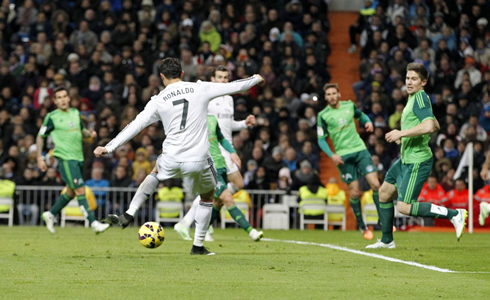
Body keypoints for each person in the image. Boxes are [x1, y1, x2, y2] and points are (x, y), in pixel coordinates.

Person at [94, 58, 263, 255]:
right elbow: (233, 87)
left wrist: (109, 147)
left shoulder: (157, 100)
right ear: (182, 73)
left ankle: (130, 212)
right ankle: (197, 246)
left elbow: (135, 125)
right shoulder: (199, 88)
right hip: (199, 159)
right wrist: (255, 79)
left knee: (155, 172)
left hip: (171, 157)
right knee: (207, 196)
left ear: (162, 77)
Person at [367, 63, 468, 249]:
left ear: (423, 82)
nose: (409, 82)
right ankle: (387, 241)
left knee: (404, 207)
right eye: (407, 78)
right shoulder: (414, 98)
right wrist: (405, 138)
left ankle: (455, 215)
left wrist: (401, 134)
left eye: (414, 79)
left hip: (417, 161)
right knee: (384, 193)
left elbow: (429, 127)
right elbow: (435, 125)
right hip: (406, 158)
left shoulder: (420, 97)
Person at [174, 114, 263, 242]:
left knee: (217, 201)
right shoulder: (191, 122)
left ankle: (193, 227)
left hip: (221, 164)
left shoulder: (212, 119)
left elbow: (222, 139)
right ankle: (251, 231)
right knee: (227, 198)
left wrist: (232, 152)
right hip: (208, 167)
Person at [36, 87, 110, 234]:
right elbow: (40, 136)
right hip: (65, 158)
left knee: (71, 191)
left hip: (78, 157)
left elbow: (81, 131)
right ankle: (94, 222)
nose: (62, 99)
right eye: (59, 97)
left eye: (64, 96)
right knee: (80, 189)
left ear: (69, 98)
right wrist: (39, 157)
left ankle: (50, 214)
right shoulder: (52, 117)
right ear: (55, 101)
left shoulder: (76, 113)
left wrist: (90, 133)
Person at [317, 83, 381, 240]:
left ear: (339, 94)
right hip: (343, 156)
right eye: (328, 94)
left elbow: (361, 116)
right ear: (326, 97)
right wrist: (331, 155)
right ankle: (361, 224)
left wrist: (368, 122)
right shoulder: (323, 115)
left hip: (360, 150)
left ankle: (383, 219)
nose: (332, 96)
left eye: (334, 93)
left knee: (376, 185)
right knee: (354, 192)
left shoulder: (349, 106)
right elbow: (321, 139)